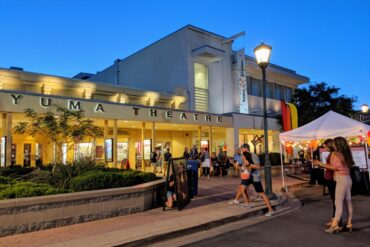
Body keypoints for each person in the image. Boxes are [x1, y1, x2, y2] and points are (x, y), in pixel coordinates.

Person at [315, 137, 354, 233]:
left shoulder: (337, 154)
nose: (333, 144)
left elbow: (335, 167)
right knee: (348, 201)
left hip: (341, 179)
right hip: (348, 178)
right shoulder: (346, 152)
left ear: (338, 144)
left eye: (334, 143)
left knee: (338, 203)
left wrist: (320, 163)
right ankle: (349, 223)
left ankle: (335, 225)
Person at [241, 143, 274, 216]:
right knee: (243, 189)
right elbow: (248, 168)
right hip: (249, 176)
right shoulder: (245, 156)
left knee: (261, 193)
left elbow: (258, 166)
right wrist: (244, 164)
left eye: (242, 148)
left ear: (246, 148)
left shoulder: (253, 156)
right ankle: (247, 204)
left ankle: (270, 210)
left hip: (255, 177)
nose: (241, 150)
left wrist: (249, 164)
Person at [322, 139, 338, 227]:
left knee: (335, 200)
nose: (324, 148)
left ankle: (335, 220)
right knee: (334, 200)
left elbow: (333, 167)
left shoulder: (333, 154)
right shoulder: (331, 154)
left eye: (325, 146)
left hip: (332, 178)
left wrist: (320, 164)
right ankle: (334, 219)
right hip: (330, 178)